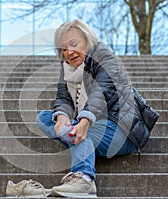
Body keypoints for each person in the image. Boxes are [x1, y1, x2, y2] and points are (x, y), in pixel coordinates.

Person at [36, 19, 157, 197]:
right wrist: (62, 117)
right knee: (44, 118)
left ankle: (84, 179)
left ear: (87, 39)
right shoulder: (67, 68)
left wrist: (83, 121)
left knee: (83, 132)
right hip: (91, 123)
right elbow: (63, 98)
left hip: (123, 128)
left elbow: (102, 92)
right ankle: (78, 136)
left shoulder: (105, 58)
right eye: (63, 48)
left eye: (74, 44)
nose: (69, 52)